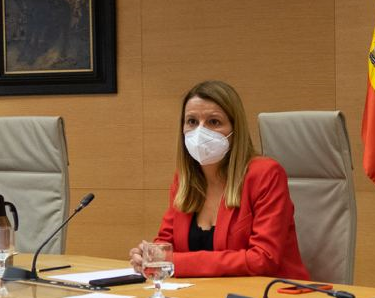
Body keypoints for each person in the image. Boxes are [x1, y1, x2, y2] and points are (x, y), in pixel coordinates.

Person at [130, 80, 309, 279]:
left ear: (235, 129)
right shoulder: (184, 179)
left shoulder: (265, 174)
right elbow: (166, 244)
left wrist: (173, 262)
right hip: (204, 294)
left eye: (214, 122)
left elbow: (263, 259)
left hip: (268, 294)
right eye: (192, 121)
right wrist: (149, 255)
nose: (200, 131)